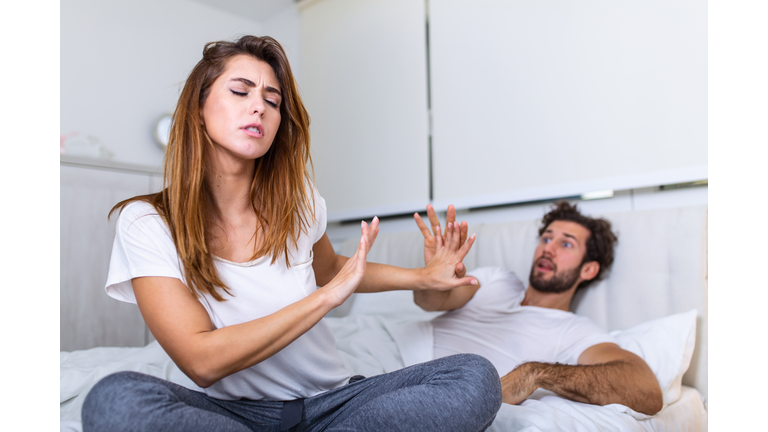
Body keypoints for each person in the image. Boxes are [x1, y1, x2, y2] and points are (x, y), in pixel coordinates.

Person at [81, 35, 502, 432]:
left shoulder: (297, 199)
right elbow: (201, 360)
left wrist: (422, 278)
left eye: (272, 99)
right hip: (228, 414)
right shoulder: (147, 221)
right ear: (198, 107)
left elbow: (333, 269)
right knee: (114, 398)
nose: (259, 107)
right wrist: (325, 299)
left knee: (473, 377)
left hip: (330, 406)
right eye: (241, 91)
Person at [412, 200, 664, 416]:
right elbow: (430, 302)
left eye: (566, 244)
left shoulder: (575, 331)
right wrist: (431, 277)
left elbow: (646, 391)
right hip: (402, 364)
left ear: (588, 269)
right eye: (546, 238)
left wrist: (534, 373)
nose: (548, 248)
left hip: (438, 399)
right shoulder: (497, 279)